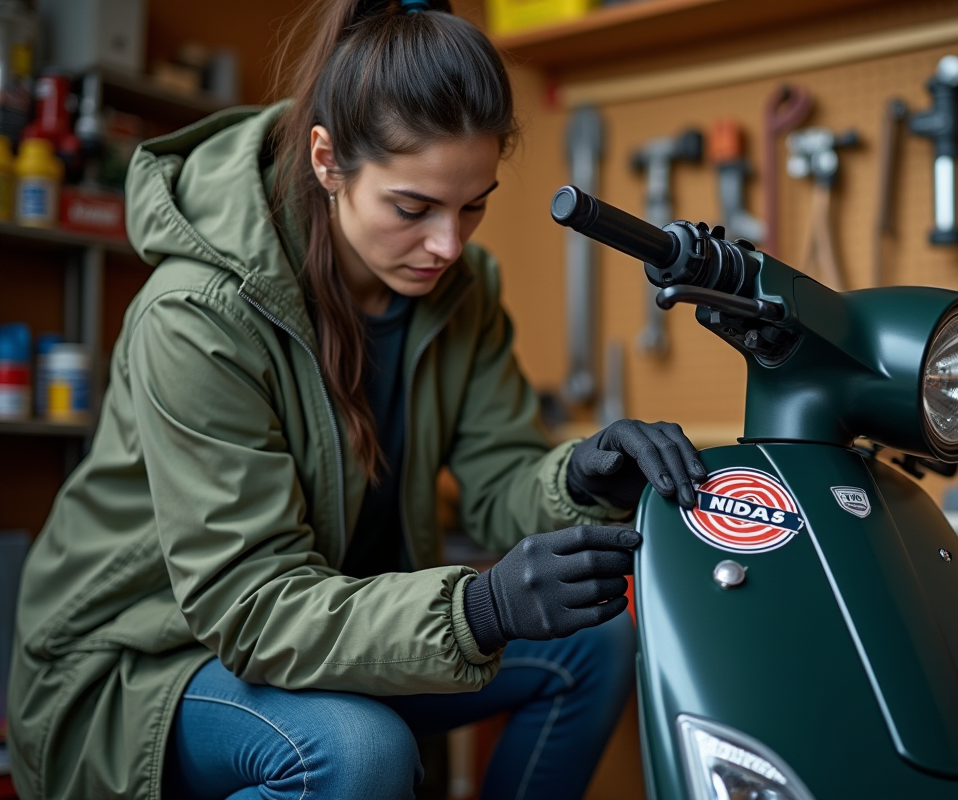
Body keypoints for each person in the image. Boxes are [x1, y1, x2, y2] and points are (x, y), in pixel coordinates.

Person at [6, 2, 709, 798]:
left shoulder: (460, 293)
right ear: (326, 160)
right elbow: (252, 604)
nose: (448, 245)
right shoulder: (195, 315)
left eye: (473, 204)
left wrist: (581, 478)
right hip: (144, 663)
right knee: (357, 750)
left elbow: (499, 479)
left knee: (600, 643)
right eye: (413, 209)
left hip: (318, 633)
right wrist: (479, 608)